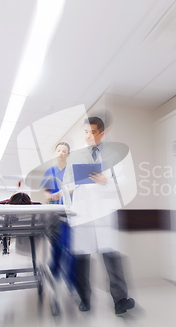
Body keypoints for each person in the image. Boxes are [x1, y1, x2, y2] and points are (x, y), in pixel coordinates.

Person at [63, 116, 135, 315]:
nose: (88, 136)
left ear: (102, 133)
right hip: (83, 212)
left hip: (104, 212)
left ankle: (120, 300)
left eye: (92, 132)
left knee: (111, 255)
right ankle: (85, 298)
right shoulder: (75, 157)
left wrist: (106, 180)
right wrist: (73, 184)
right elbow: (66, 183)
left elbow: (123, 181)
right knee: (82, 258)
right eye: (85, 132)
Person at [40, 142, 74, 287]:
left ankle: (70, 279)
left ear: (68, 154)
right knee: (56, 245)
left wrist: (60, 194)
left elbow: (73, 188)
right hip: (54, 213)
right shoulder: (50, 171)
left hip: (68, 211)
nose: (60, 153)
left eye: (64, 151)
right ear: (55, 153)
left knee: (70, 245)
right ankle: (54, 270)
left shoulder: (71, 171)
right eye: (58, 150)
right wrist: (48, 196)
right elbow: (46, 190)